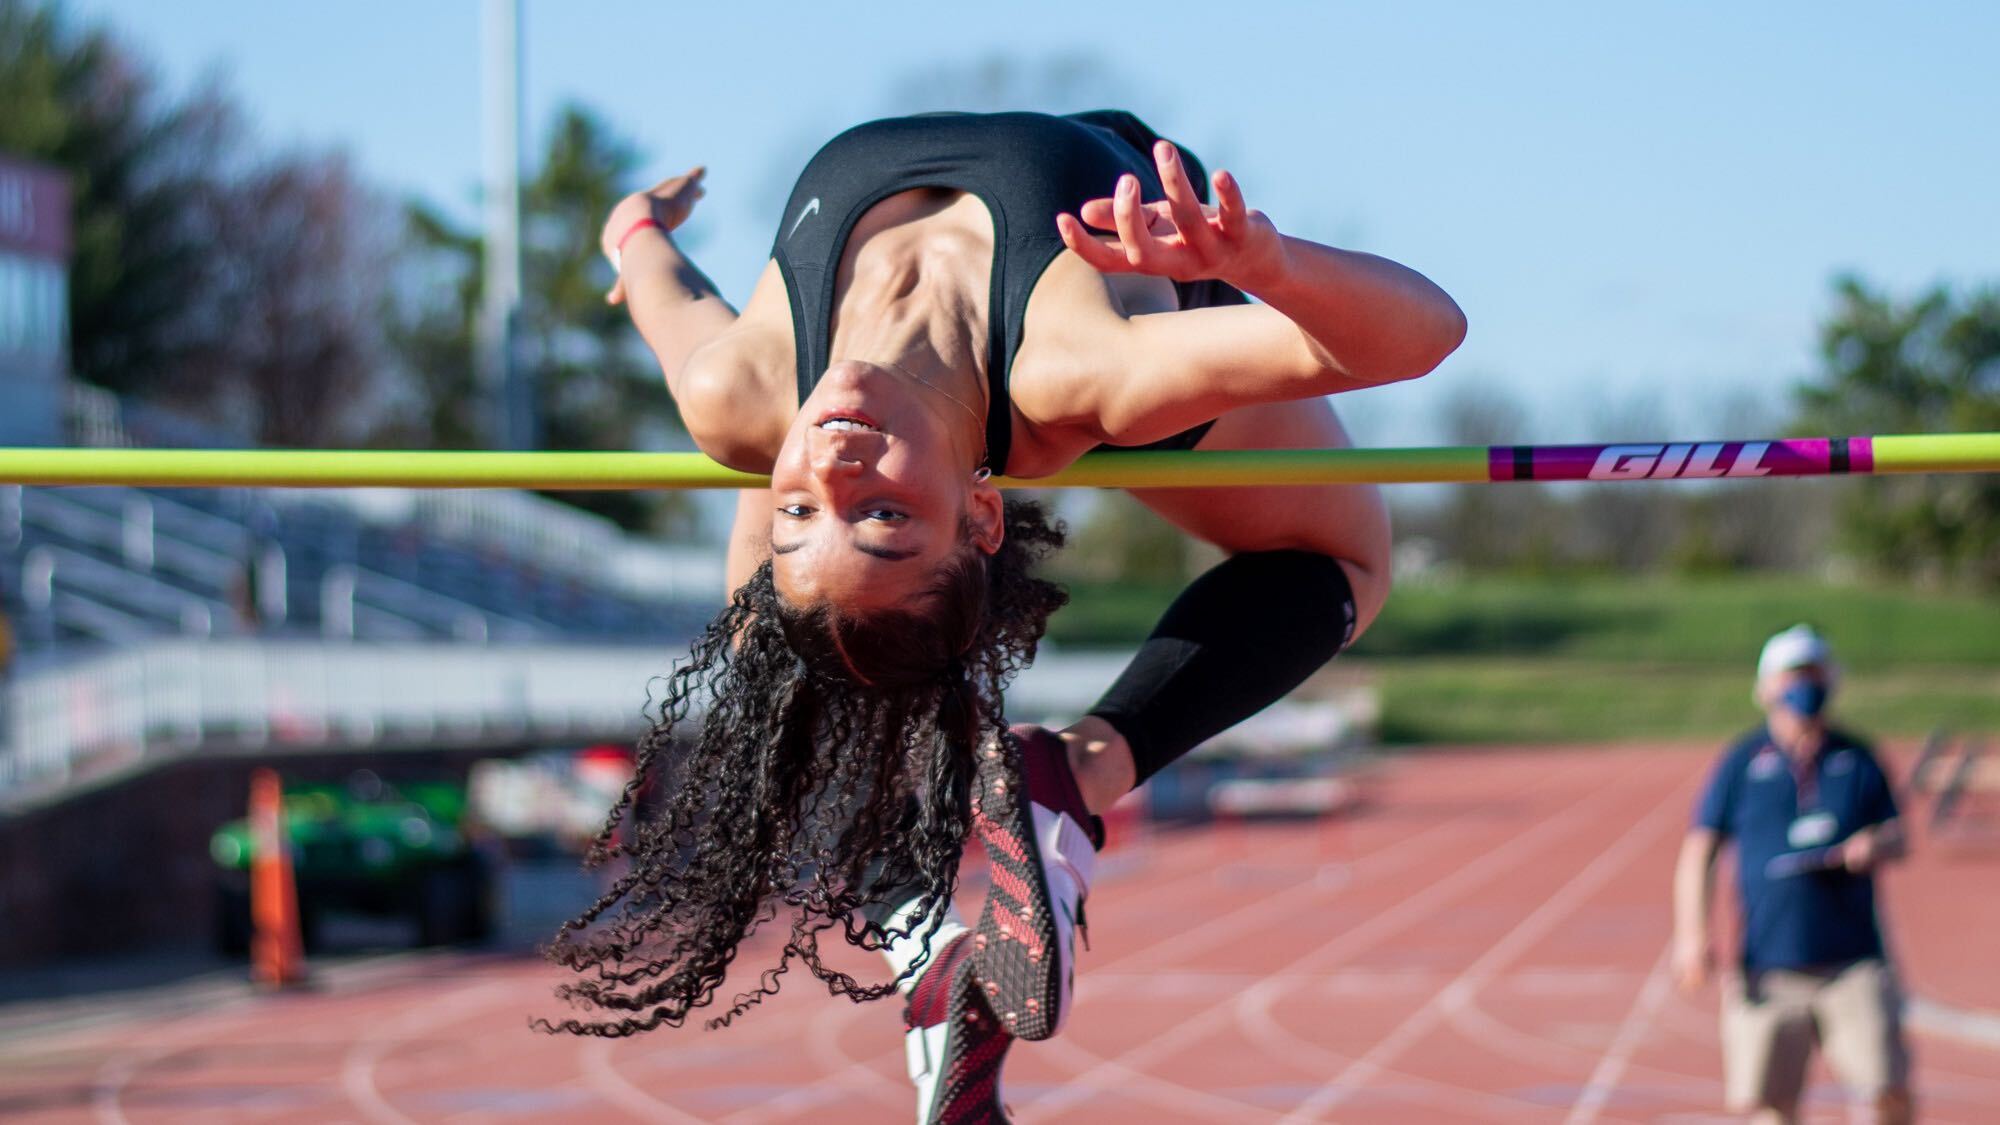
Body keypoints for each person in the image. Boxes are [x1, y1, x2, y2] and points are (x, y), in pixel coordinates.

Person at [541, 110, 1463, 1120]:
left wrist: (634, 232)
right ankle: (1077, 771)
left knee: (781, 598)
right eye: (884, 514)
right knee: (1343, 563)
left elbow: (658, 287)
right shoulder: (1079, 372)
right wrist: (1271, 263)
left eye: (804, 510)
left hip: (842, 358)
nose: (832, 467)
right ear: (983, 510)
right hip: (1116, 297)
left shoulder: (741, 391)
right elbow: (1426, 334)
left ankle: (906, 904)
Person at [1672, 625, 1913, 1125]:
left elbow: (1899, 835)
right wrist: (1693, 935)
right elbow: (1700, 850)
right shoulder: (1741, 762)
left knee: (1887, 1092)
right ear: (1766, 688)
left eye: (1814, 674)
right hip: (1769, 964)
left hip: (1853, 962)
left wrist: (1876, 844)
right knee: (1772, 1109)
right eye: (1793, 676)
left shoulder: (1858, 757)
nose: (1805, 687)